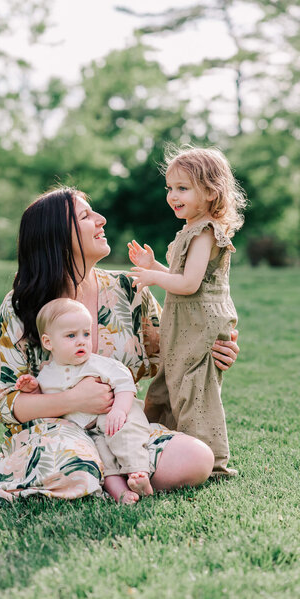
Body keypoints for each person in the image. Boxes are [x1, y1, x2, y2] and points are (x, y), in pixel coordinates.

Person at [0, 187, 239, 504]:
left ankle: (108, 475)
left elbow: (173, 351)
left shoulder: (128, 289)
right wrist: (72, 399)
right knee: (76, 462)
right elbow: (4, 401)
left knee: (197, 458)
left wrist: (211, 351)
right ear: (57, 237)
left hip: (119, 426)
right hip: (55, 432)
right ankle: (100, 475)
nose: (101, 220)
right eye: (86, 216)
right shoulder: (22, 305)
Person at [128, 146, 246, 476]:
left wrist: (153, 277)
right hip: (187, 322)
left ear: (210, 192)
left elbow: (190, 283)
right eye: (169, 188)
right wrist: (155, 266)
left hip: (202, 323)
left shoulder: (206, 231)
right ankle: (162, 442)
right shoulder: (192, 229)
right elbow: (182, 276)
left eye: (182, 188)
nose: (172, 195)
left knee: (195, 390)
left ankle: (210, 459)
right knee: (172, 381)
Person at [17, 297, 154, 503]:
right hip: (87, 430)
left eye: (86, 334)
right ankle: (120, 493)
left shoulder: (99, 364)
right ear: (48, 342)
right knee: (102, 458)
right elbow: (46, 404)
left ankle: (139, 474)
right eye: (71, 335)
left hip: (115, 413)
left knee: (126, 435)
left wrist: (119, 410)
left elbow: (126, 384)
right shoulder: (46, 375)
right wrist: (33, 389)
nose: (81, 341)